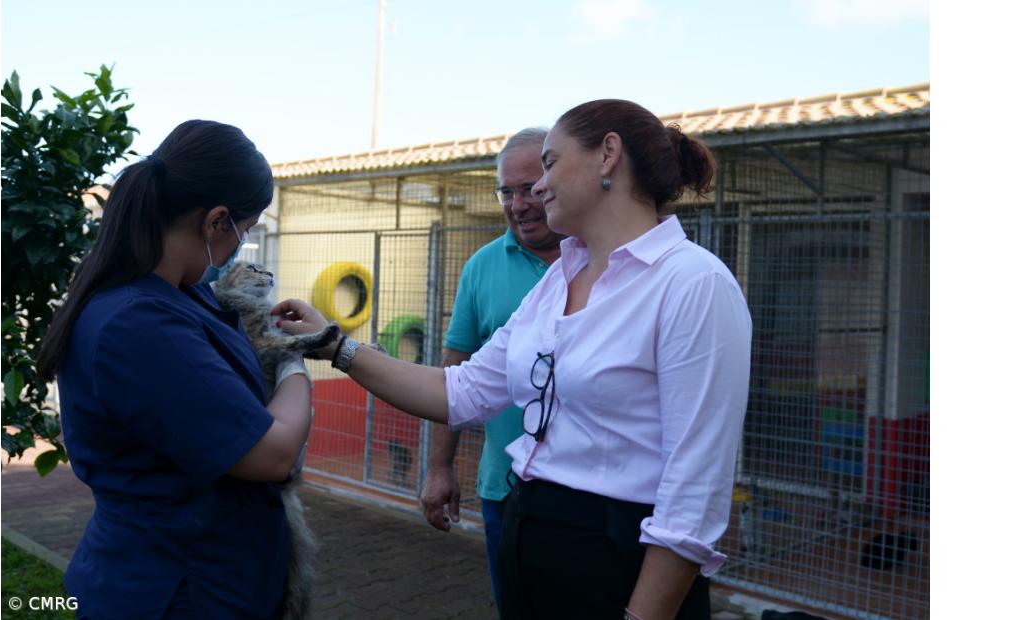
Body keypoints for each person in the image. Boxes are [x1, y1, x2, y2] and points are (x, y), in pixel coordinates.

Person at [277, 99, 752, 620]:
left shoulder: (693, 284)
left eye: (549, 164)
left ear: (608, 155)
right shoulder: (558, 281)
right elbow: (463, 391)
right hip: (532, 533)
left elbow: (694, 492)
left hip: (620, 560)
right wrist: (337, 346)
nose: (538, 187)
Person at [36, 120, 314, 619]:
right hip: (172, 591)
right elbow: (271, 455)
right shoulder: (139, 324)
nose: (237, 250)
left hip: (211, 575)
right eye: (244, 232)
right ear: (216, 221)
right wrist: (294, 361)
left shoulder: (180, 296)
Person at [419, 126, 564, 614]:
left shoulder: (604, 258)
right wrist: (440, 468)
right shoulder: (481, 267)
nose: (518, 204)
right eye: (507, 191)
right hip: (505, 487)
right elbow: (455, 371)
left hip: (587, 493)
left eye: (531, 189)